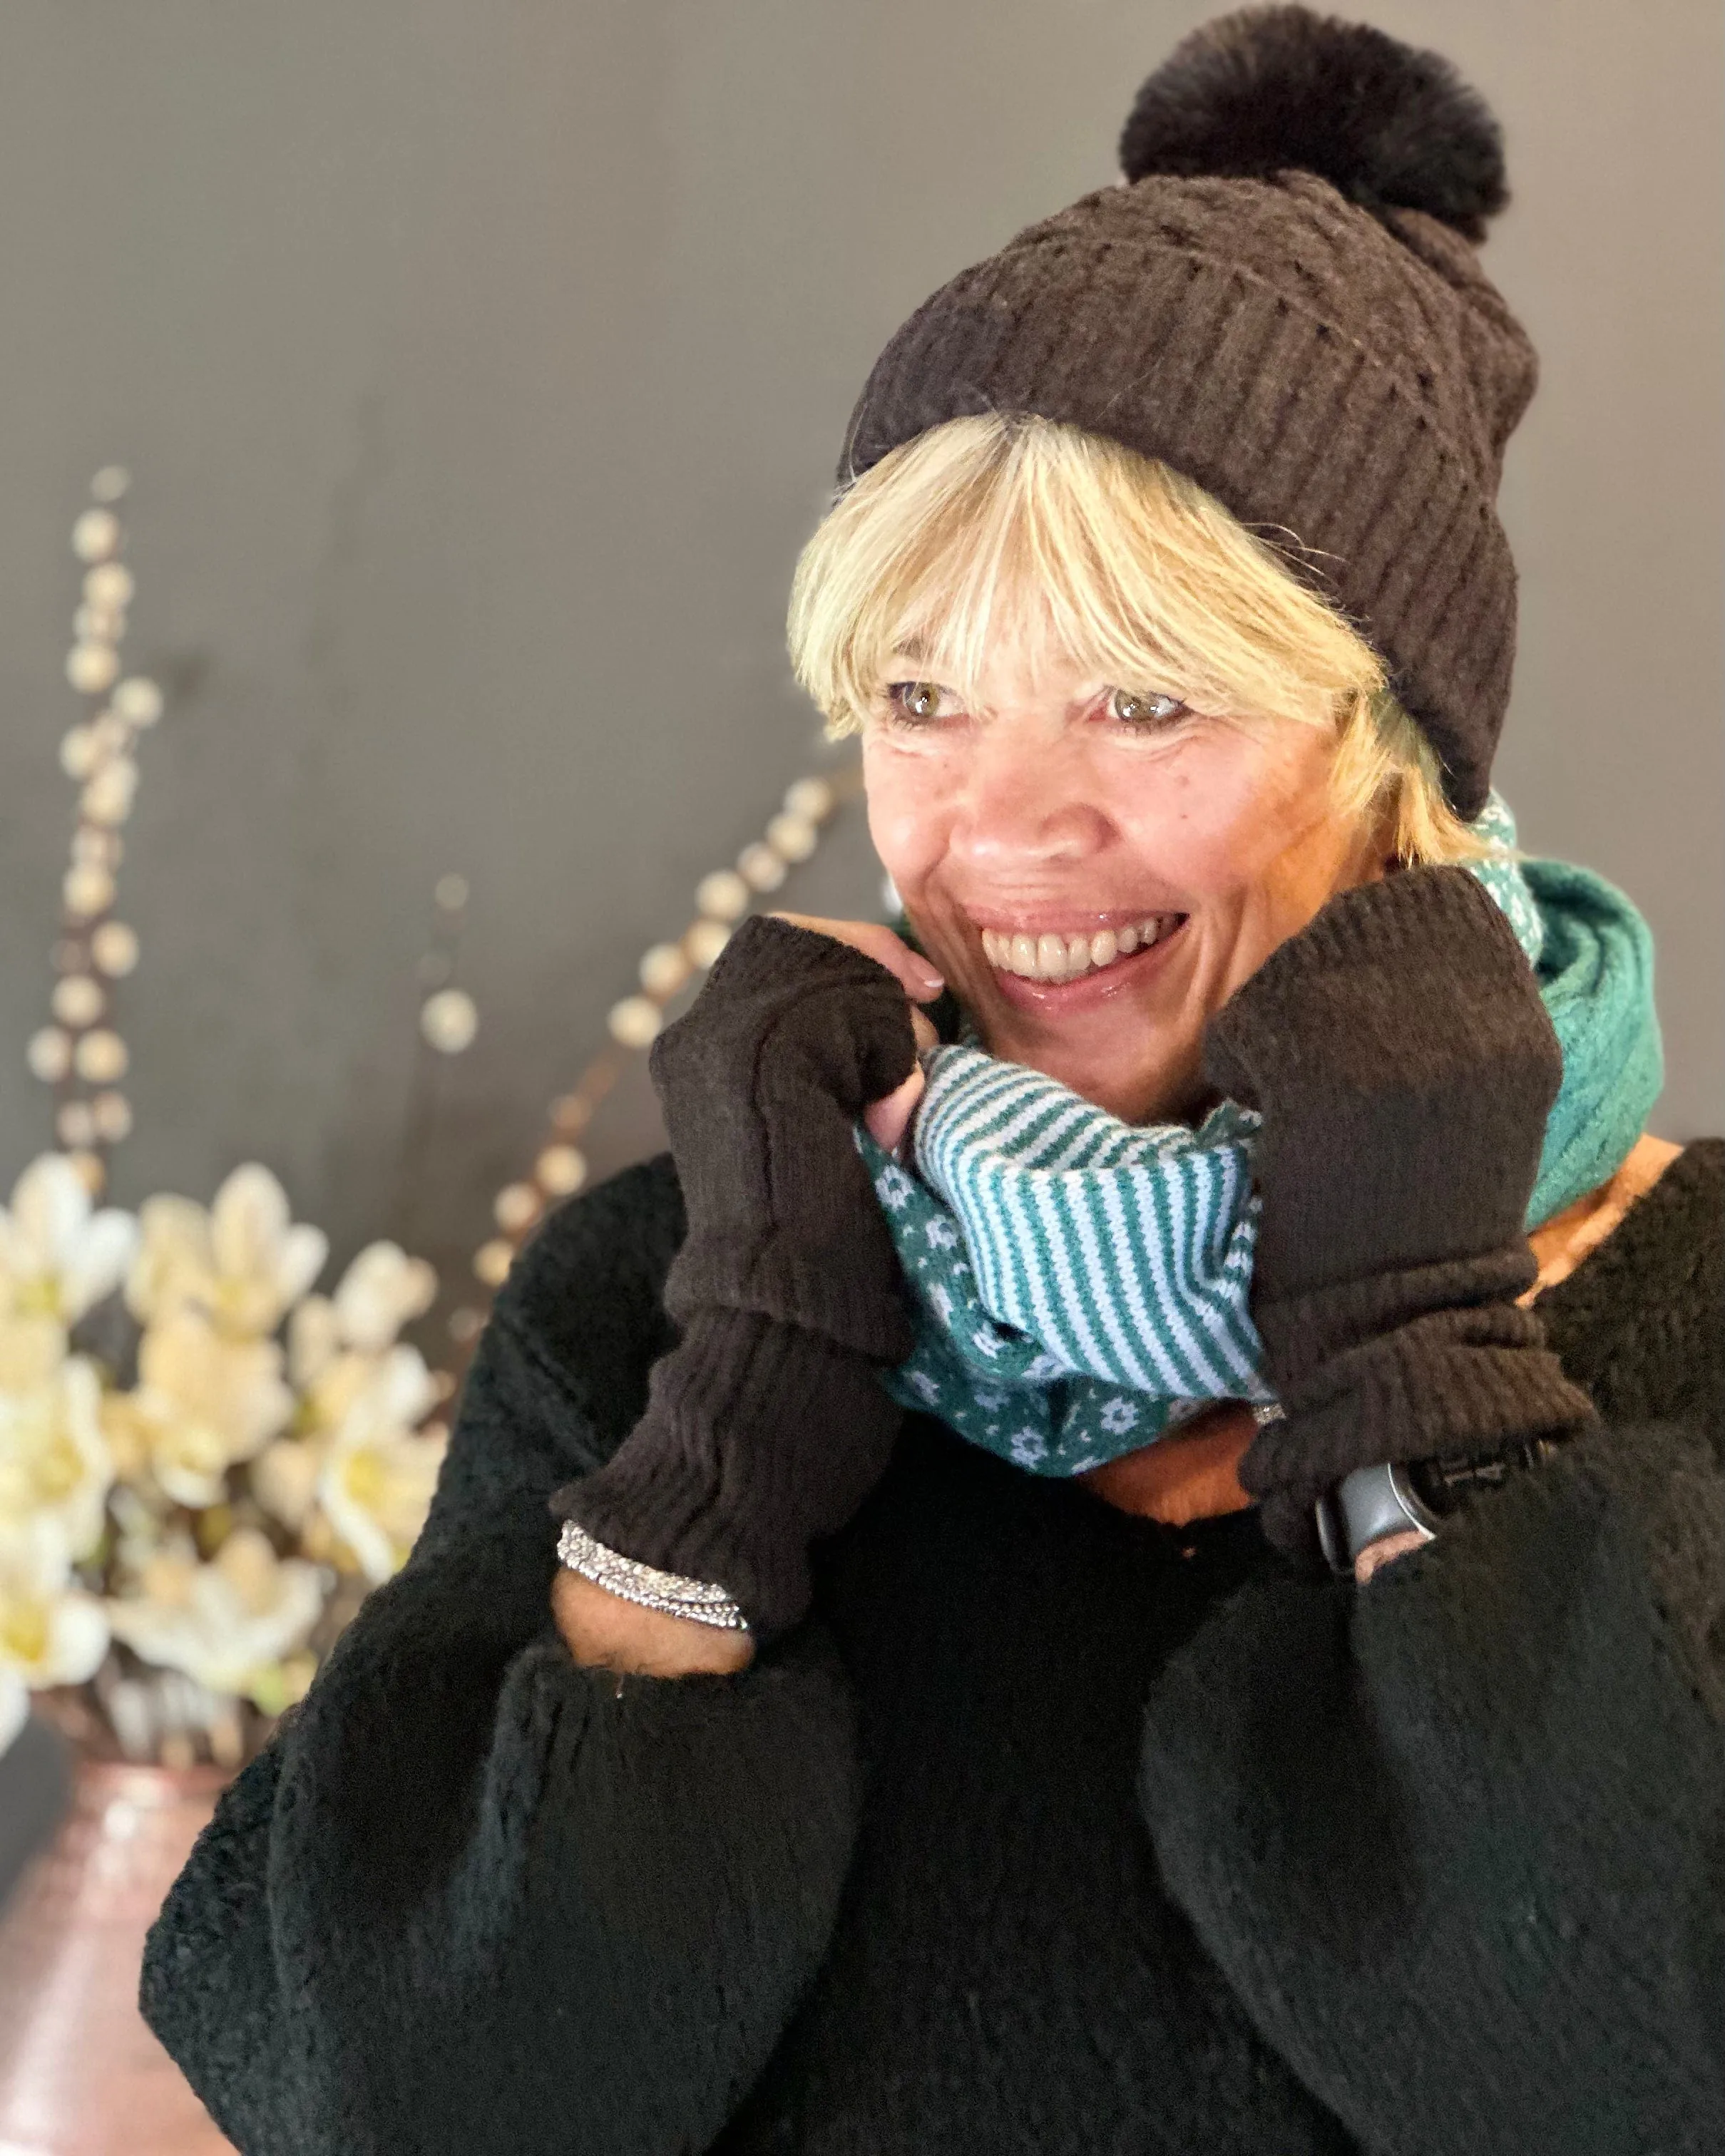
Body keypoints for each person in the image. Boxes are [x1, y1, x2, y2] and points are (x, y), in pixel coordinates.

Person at [142, 9, 1723, 2152]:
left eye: (1148, 702)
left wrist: (1408, 1345)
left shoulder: (1693, 1297)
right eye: (921, 697)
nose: (1004, 831)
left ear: (1400, 770)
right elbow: (382, 2100)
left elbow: (1637, 2058)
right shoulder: (663, 1300)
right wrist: (744, 1407)